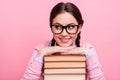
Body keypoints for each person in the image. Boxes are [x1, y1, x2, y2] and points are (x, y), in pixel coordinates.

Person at [21, 2, 105, 80]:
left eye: (71, 27)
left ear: (79, 28)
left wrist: (88, 54)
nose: (64, 34)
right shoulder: (41, 49)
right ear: (51, 27)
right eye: (58, 27)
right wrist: (41, 54)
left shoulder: (87, 49)